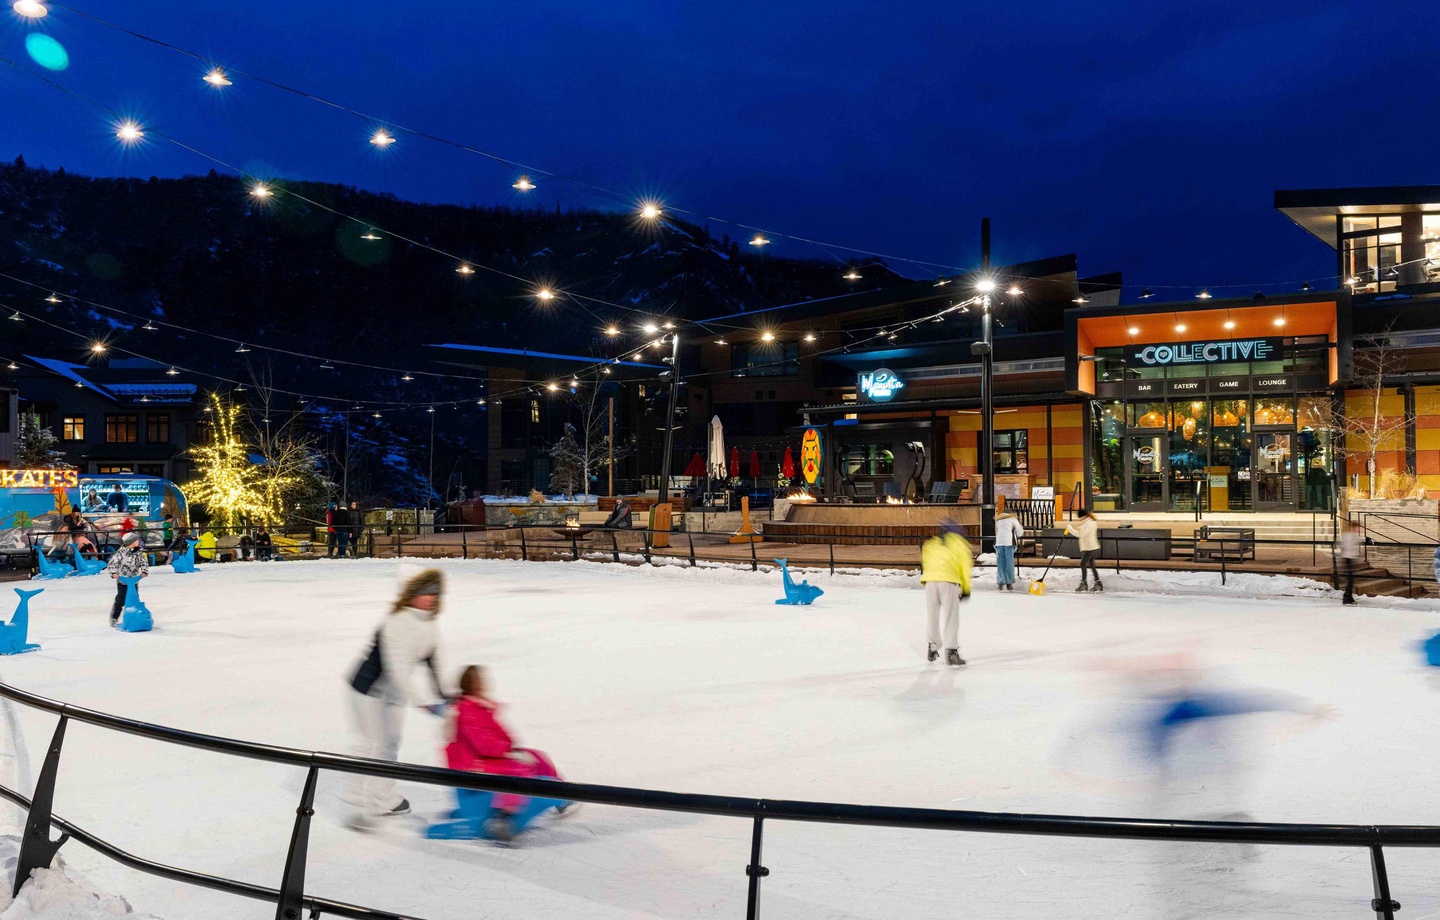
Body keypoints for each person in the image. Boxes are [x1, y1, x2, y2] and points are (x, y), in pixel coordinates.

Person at [346, 566, 450, 827]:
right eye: (426, 592)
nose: (432, 597)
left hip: (393, 695)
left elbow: (433, 661)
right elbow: (398, 669)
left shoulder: (429, 624)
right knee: (370, 744)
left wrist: (446, 694)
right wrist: (425, 703)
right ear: (410, 593)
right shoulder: (396, 623)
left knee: (390, 743)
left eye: (435, 592)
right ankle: (357, 804)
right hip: (368, 691)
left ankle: (384, 797)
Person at [445, 664, 565, 841]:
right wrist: (507, 751)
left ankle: (563, 793)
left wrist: (512, 747)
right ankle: (504, 818)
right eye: (478, 680)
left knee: (537, 757)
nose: (483, 683)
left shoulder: (481, 706)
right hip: (473, 763)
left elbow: (498, 733)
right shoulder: (467, 709)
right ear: (470, 683)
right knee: (518, 769)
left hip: (488, 755)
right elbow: (482, 744)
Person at [919, 519, 972, 668]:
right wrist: (966, 588)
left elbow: (926, 562)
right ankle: (951, 652)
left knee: (932, 615)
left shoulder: (931, 544)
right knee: (950, 617)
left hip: (930, 582)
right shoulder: (959, 543)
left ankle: (932, 646)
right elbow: (964, 566)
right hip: (948, 581)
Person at [105, 531, 148, 626]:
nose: (138, 541)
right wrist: (114, 573)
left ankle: (135, 616)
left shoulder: (138, 552)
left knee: (135, 598)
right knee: (121, 599)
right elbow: (112, 564)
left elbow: (143, 562)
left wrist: (144, 571)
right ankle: (114, 617)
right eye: (136, 540)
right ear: (131, 542)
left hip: (134, 580)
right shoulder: (120, 553)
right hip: (123, 581)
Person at [1065, 508, 1103, 593]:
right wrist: (1072, 527)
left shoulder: (1089, 523)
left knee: (1083, 564)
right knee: (1091, 564)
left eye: (1080, 517)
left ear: (1083, 516)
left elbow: (1080, 534)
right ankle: (1098, 583)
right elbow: (1081, 529)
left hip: (1089, 547)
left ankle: (1084, 584)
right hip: (1092, 546)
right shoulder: (1088, 522)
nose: (1079, 519)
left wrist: (1070, 529)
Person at [993, 509, 1025, 591]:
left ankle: (1000, 582)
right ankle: (1009, 583)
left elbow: (997, 531)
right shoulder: (1013, 519)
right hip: (1009, 542)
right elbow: (1019, 532)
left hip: (999, 542)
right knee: (1009, 563)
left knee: (1000, 563)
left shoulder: (998, 520)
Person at [1338, 520, 1363, 606]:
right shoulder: (1351, 536)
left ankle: (1348, 597)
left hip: (1348, 558)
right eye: (1357, 528)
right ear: (1353, 527)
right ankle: (1347, 598)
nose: (1359, 529)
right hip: (1348, 558)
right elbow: (1357, 541)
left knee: (1350, 579)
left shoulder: (1347, 535)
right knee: (1350, 579)